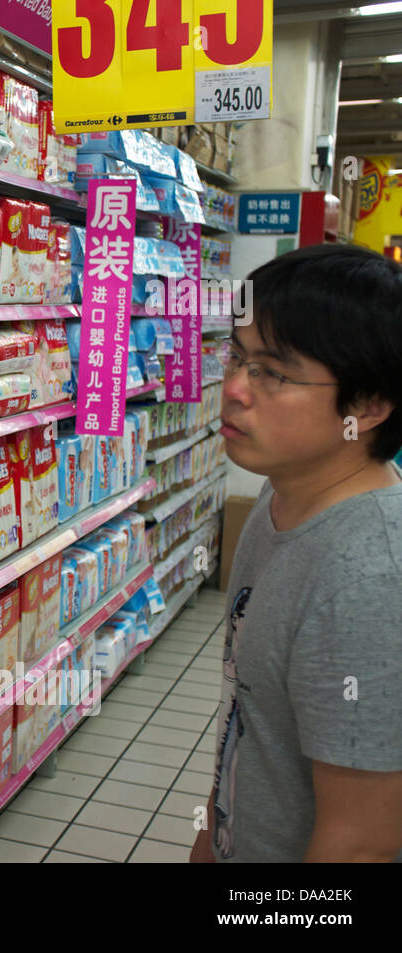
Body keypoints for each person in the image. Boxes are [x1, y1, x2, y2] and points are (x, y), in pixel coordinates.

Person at [190, 244, 402, 863]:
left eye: (273, 373)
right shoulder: (282, 494)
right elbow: (248, 731)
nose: (233, 389)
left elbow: (361, 843)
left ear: (367, 406)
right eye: (237, 357)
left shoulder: (366, 580)